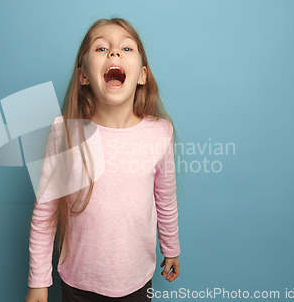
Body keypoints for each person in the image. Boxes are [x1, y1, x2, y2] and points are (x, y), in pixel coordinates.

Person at [25, 17, 181, 302]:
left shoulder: (160, 133)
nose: (114, 53)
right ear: (83, 74)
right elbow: (45, 213)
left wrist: (171, 248)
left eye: (126, 48)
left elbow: (165, 200)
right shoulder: (64, 132)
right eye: (101, 49)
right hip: (78, 284)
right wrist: (38, 281)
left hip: (137, 281)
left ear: (142, 75)